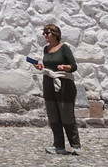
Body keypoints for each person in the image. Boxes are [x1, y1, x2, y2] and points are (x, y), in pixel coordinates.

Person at [32, 23, 81, 156]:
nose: (45, 36)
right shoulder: (46, 49)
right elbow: (48, 65)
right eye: (44, 33)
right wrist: (40, 67)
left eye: (47, 33)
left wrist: (65, 67)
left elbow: (73, 66)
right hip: (48, 81)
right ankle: (58, 145)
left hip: (64, 83)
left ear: (55, 34)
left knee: (66, 115)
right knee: (53, 114)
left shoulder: (64, 48)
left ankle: (75, 145)